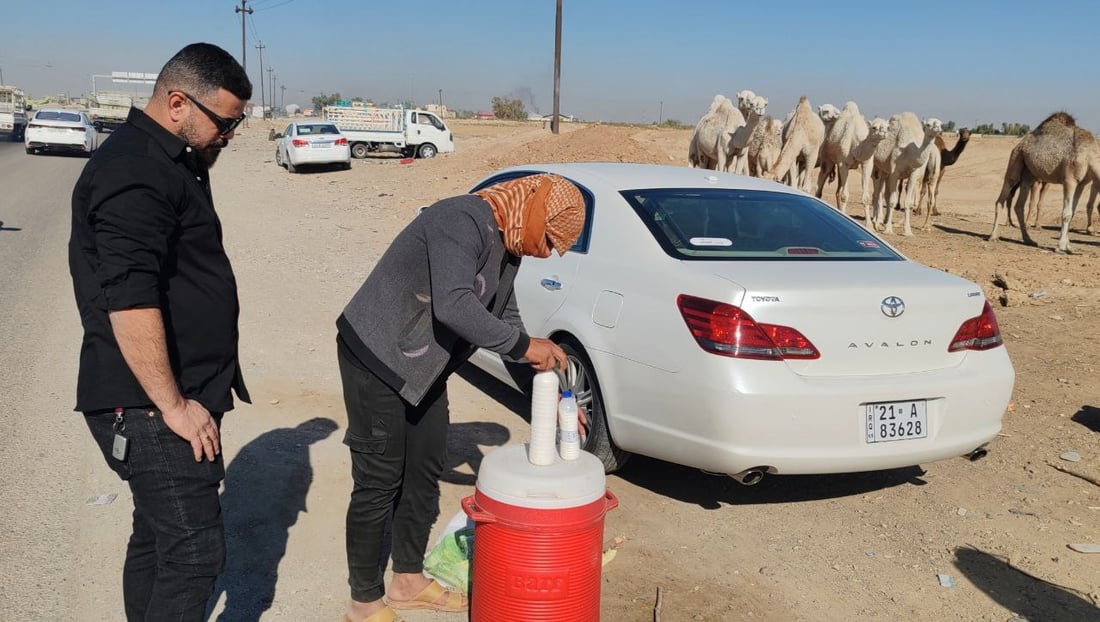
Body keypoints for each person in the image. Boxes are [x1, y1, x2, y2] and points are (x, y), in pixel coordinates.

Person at [335, 173, 586, 622]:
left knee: (425, 465)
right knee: (380, 477)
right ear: (534, 206)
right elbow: (453, 304)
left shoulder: (511, 246)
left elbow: (506, 320)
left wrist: (551, 402)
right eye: (548, 239)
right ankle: (363, 601)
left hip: (421, 367)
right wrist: (527, 346)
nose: (546, 252)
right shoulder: (460, 218)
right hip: (375, 354)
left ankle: (407, 581)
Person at [68, 42, 252, 621]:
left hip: (171, 394)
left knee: (154, 535)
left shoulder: (169, 159)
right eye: (225, 122)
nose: (231, 134)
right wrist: (173, 405)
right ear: (178, 103)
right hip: (149, 405)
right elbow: (129, 297)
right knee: (195, 551)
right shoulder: (135, 170)